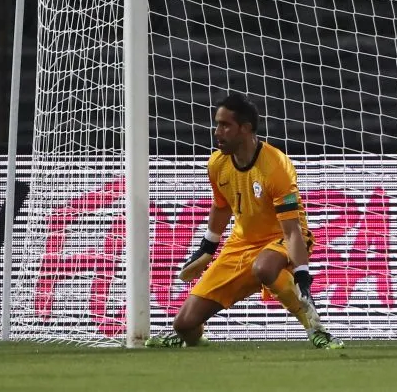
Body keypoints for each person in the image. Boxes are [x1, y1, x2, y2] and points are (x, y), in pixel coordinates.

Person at [145, 93, 343, 349]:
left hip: (282, 238)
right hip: (241, 244)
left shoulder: (276, 167)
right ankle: (187, 339)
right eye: (217, 124)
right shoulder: (217, 163)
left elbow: (293, 231)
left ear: (246, 128)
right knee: (185, 324)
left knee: (264, 267)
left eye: (225, 125)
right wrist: (207, 246)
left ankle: (314, 327)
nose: (217, 132)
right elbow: (221, 206)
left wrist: (303, 276)